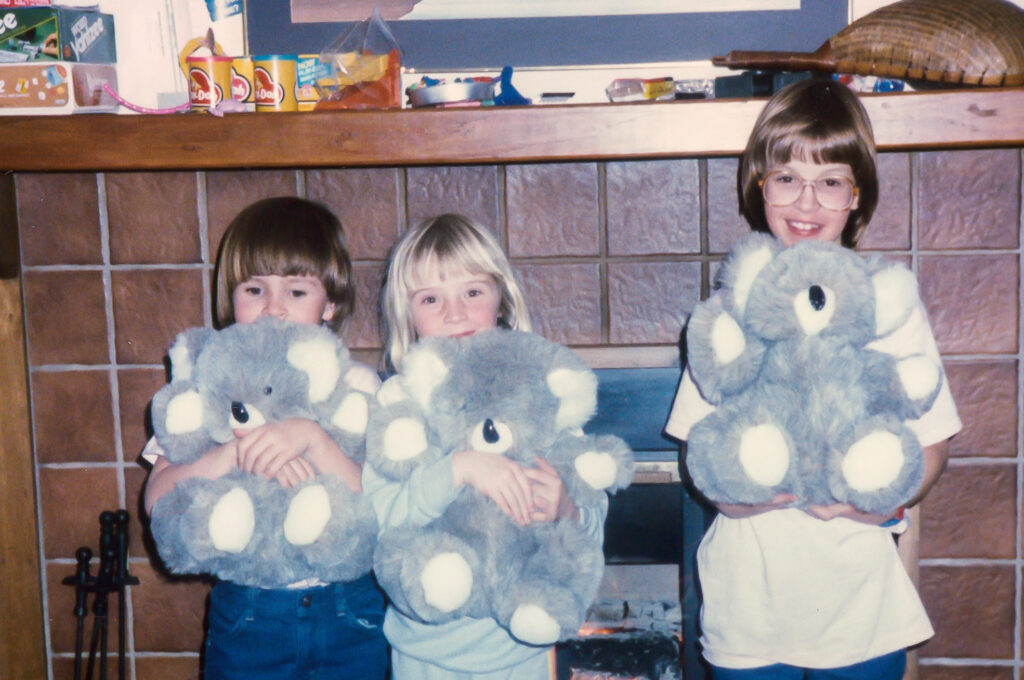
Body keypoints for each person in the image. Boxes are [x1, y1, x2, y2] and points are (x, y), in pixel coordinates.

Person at [665, 79, 961, 680]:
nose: (807, 204)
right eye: (787, 179)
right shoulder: (732, 308)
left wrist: (869, 505)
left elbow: (933, 445)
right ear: (759, 186)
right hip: (750, 610)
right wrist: (742, 499)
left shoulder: (887, 305)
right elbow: (699, 448)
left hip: (859, 611)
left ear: (857, 197)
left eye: (830, 182)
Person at [142, 196, 387, 680]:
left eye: (296, 292)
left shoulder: (356, 388)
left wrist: (313, 439)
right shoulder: (202, 387)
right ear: (231, 301)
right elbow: (155, 499)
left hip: (350, 610)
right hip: (249, 613)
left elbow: (383, 504)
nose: (273, 309)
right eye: (254, 289)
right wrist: (235, 452)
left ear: (330, 304)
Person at [366, 213, 605, 679]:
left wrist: (567, 509)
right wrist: (458, 468)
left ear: (501, 299)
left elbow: (592, 537)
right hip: (425, 659)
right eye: (431, 298)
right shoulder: (398, 408)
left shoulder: (544, 395)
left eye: (472, 292)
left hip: (521, 651)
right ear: (407, 315)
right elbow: (377, 524)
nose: (455, 313)